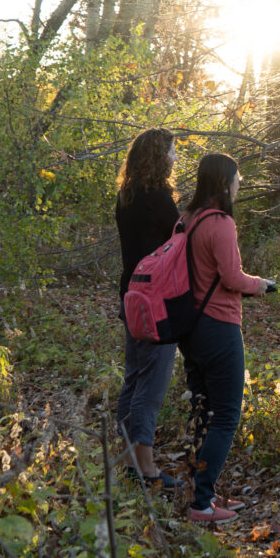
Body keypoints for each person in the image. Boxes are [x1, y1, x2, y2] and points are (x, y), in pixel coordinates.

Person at [177, 152, 272, 524]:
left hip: (191, 330)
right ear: (223, 182)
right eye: (237, 178)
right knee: (225, 416)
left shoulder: (187, 219)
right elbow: (232, 279)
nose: (240, 183)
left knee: (203, 412)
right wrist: (261, 285)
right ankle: (201, 504)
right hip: (219, 327)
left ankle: (200, 493)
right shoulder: (221, 224)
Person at [114, 128, 183, 489]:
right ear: (158, 157)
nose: (175, 158)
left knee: (134, 377)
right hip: (156, 300)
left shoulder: (127, 196)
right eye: (171, 151)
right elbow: (181, 242)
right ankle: (147, 467)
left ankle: (127, 461)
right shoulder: (159, 198)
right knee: (151, 384)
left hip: (130, 296)